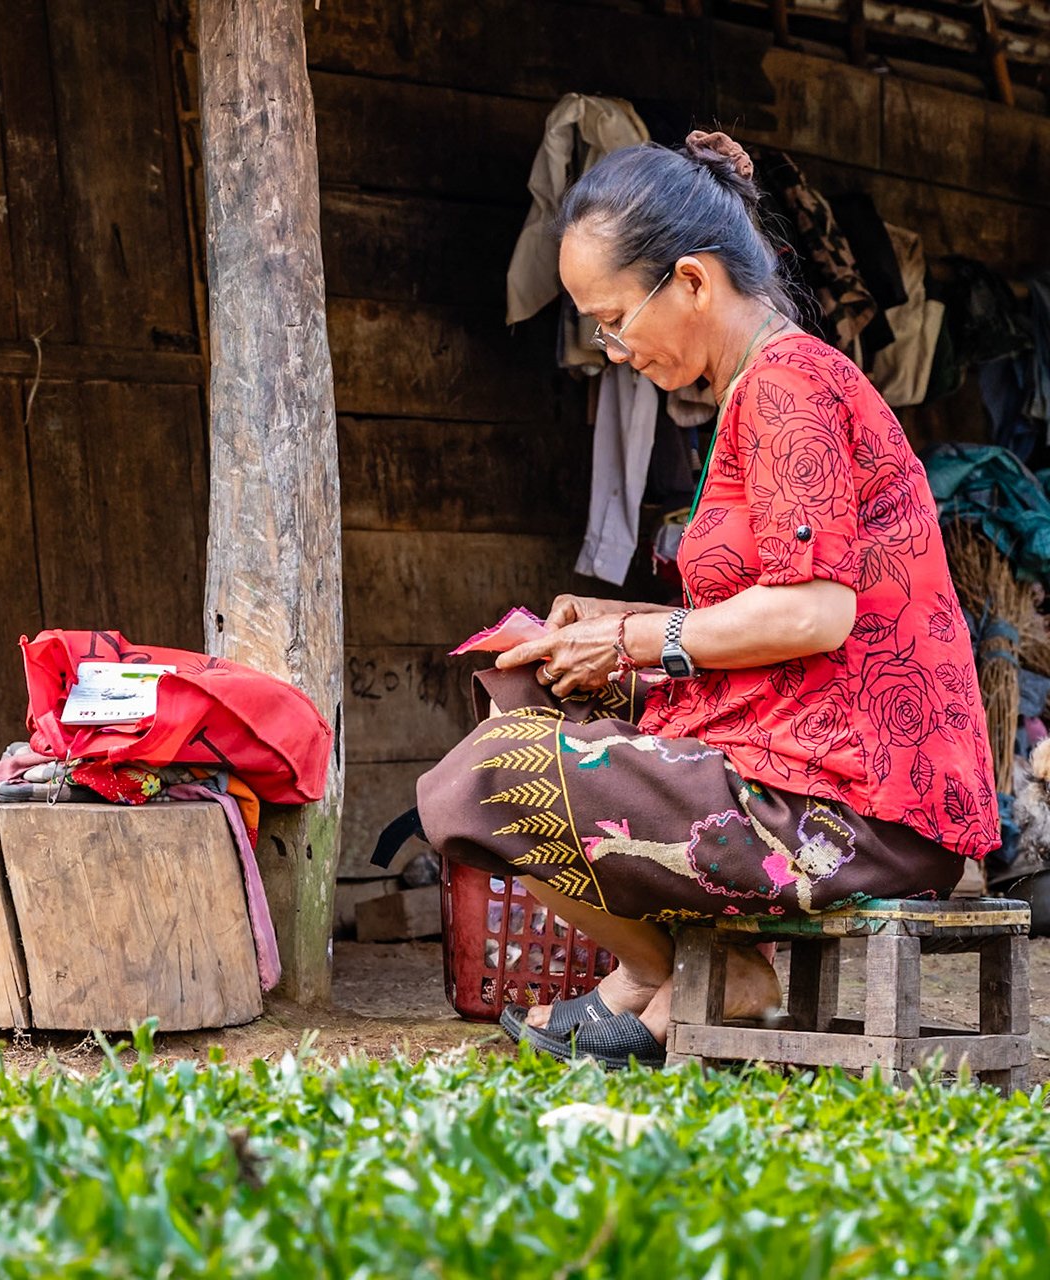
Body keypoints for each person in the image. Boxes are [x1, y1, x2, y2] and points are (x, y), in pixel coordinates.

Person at [415, 132, 999, 1067]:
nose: (610, 349)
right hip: (802, 753)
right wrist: (614, 625)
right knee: (522, 691)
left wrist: (639, 643)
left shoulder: (789, 386)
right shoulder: (754, 392)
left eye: (612, 319)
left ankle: (705, 975)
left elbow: (815, 614)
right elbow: (771, 600)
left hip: (858, 805)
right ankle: (659, 977)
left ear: (690, 282)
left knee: (487, 776)